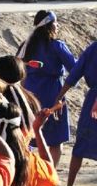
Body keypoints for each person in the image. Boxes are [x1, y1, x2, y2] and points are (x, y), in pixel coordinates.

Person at [18, 10, 76, 167]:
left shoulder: (27, 46)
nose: (58, 26)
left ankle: (30, 173)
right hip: (52, 95)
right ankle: (50, 173)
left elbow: (18, 71)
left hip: (30, 96)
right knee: (54, 141)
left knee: (28, 137)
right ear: (50, 26)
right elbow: (75, 68)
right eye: (56, 22)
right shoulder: (57, 46)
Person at [51, 40, 97, 186]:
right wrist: (59, 96)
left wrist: (59, 96)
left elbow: (74, 74)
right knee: (80, 146)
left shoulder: (92, 49)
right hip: (93, 102)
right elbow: (74, 73)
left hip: (93, 102)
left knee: (80, 146)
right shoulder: (93, 49)